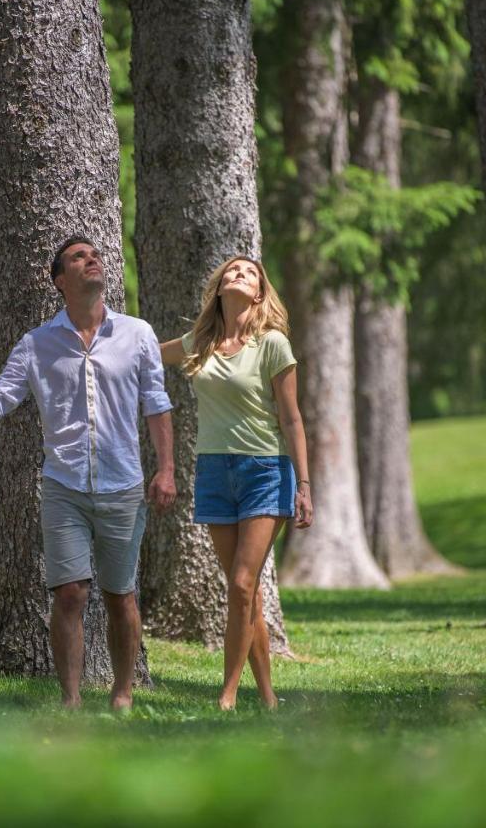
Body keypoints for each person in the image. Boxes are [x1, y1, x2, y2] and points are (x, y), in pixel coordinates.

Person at [0, 237, 176, 710]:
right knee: (70, 594)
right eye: (78, 258)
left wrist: (166, 470)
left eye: (94, 255)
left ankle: (123, 692)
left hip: (123, 485)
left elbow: (157, 405)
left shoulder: (138, 335)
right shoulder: (37, 345)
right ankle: (70, 700)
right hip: (64, 486)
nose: (91, 260)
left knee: (121, 596)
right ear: (59, 280)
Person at [159, 255, 312, 710]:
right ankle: (267, 698)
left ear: (260, 293)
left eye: (249, 273)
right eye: (232, 270)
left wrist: (304, 485)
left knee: (242, 585)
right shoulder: (199, 343)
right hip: (212, 472)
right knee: (246, 591)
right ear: (220, 287)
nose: (239, 274)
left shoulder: (272, 345)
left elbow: (292, 418)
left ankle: (227, 694)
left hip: (264, 470)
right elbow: (143, 350)